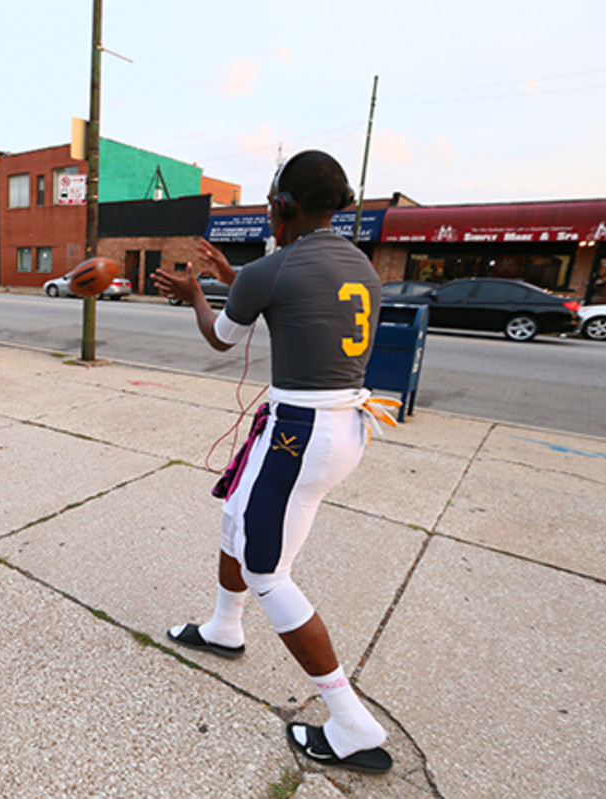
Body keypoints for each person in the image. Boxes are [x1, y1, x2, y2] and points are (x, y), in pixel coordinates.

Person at [152, 150, 394, 775]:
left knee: (269, 570)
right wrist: (234, 278)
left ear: (284, 205)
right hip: (342, 427)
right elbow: (290, 296)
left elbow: (222, 337)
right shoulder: (359, 265)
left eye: (270, 201)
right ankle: (224, 628)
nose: (267, 210)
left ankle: (351, 723)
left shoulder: (274, 268)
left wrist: (194, 296)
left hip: (299, 434)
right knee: (236, 516)